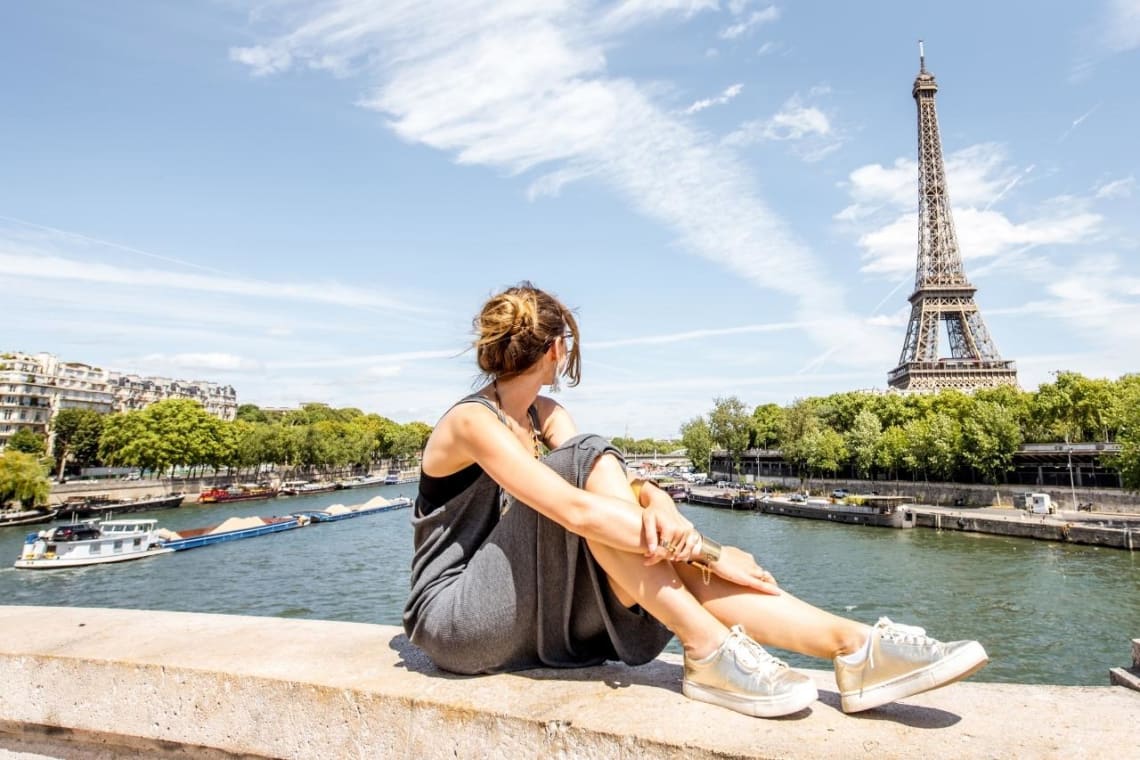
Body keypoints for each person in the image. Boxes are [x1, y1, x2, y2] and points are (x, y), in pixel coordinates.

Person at [403, 282, 987, 718]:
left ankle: (854, 649)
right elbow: (577, 506)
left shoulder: (544, 416)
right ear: (558, 348)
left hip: (522, 608)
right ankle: (707, 647)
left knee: (614, 499)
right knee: (592, 470)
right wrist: (709, 549)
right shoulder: (470, 423)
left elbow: (607, 486)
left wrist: (656, 498)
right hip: (457, 619)